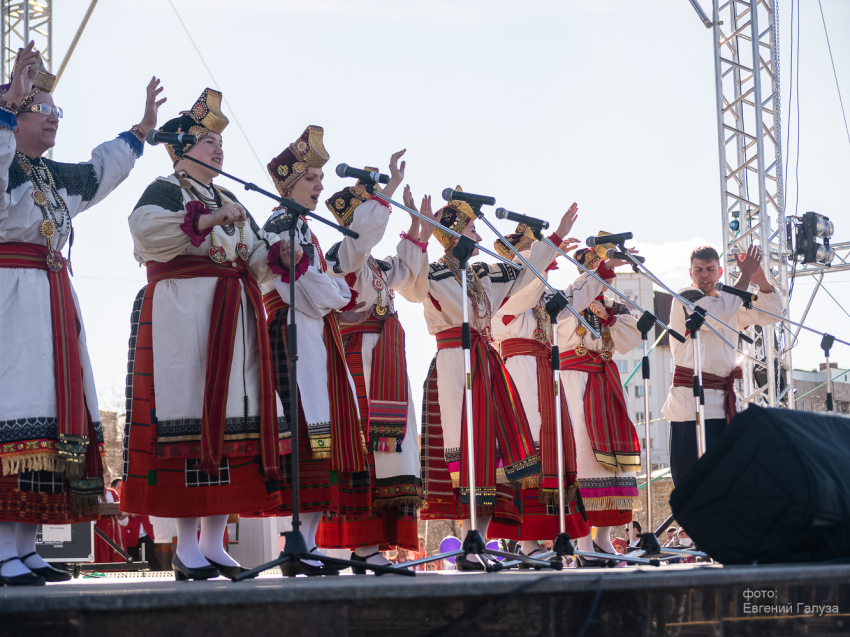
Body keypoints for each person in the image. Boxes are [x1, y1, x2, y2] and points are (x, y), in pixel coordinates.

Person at [0, 42, 159, 585]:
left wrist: (138, 133)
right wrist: (5, 104)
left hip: (50, 302)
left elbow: (97, 172)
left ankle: (23, 547)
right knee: (14, 416)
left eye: (56, 110)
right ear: (14, 116)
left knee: (46, 423)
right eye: (40, 108)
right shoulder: (5, 165)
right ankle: (3, 549)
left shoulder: (50, 177)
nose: (52, 119)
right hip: (10, 302)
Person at [122, 88, 295, 581]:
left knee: (234, 428)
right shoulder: (165, 187)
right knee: (189, 424)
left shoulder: (231, 197)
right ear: (180, 147)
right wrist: (208, 219)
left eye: (220, 142)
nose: (219, 150)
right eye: (207, 142)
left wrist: (278, 256)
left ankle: (215, 543)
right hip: (185, 318)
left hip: (234, 321)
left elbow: (256, 257)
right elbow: (145, 230)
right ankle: (185, 546)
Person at [399, 188, 576, 571]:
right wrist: (420, 232)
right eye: (473, 230)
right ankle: (468, 539)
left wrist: (555, 239)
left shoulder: (482, 276)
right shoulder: (433, 274)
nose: (480, 237)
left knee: (490, 449)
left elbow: (525, 277)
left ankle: (477, 538)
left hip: (484, 362)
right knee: (464, 448)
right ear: (456, 233)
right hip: (452, 362)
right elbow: (408, 282)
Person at [256, 126, 368, 576]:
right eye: (312, 180)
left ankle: (309, 541)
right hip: (291, 336)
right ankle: (296, 541)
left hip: (315, 339)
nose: (320, 187)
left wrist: (332, 295)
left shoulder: (302, 228)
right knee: (301, 435)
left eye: (321, 181)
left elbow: (318, 287)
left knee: (320, 438)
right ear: (289, 182)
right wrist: (340, 297)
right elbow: (305, 288)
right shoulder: (280, 225)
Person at [490, 222, 636, 561]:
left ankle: (537, 541)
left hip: (541, 371)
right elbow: (528, 289)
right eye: (534, 255)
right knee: (527, 454)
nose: (542, 263)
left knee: (547, 457)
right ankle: (526, 543)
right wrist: (553, 244)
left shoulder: (537, 294)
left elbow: (575, 296)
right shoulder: (508, 291)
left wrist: (602, 268)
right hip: (520, 371)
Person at [315, 156, 429, 572]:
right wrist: (389, 189)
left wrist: (418, 230)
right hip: (359, 359)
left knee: (393, 451)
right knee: (368, 448)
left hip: (386, 360)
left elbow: (404, 272)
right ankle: (362, 545)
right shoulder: (341, 258)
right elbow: (361, 241)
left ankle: (379, 544)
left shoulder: (374, 267)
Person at [663, 245, 783, 485]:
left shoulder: (729, 303)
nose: (704, 275)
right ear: (691, 273)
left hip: (723, 403)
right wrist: (745, 276)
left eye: (710, 269)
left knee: (725, 477)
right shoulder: (685, 296)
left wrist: (761, 281)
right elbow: (715, 314)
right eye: (699, 270)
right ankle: (692, 522)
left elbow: (773, 313)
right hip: (690, 404)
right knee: (691, 478)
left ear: (719, 272)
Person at [556, 247, 643, 566]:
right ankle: (582, 542)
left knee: (614, 464)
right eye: (591, 269)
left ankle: (603, 537)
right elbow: (560, 326)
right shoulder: (567, 299)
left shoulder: (612, 306)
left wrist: (609, 316)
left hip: (605, 384)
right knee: (581, 458)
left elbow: (631, 339)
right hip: (574, 384)